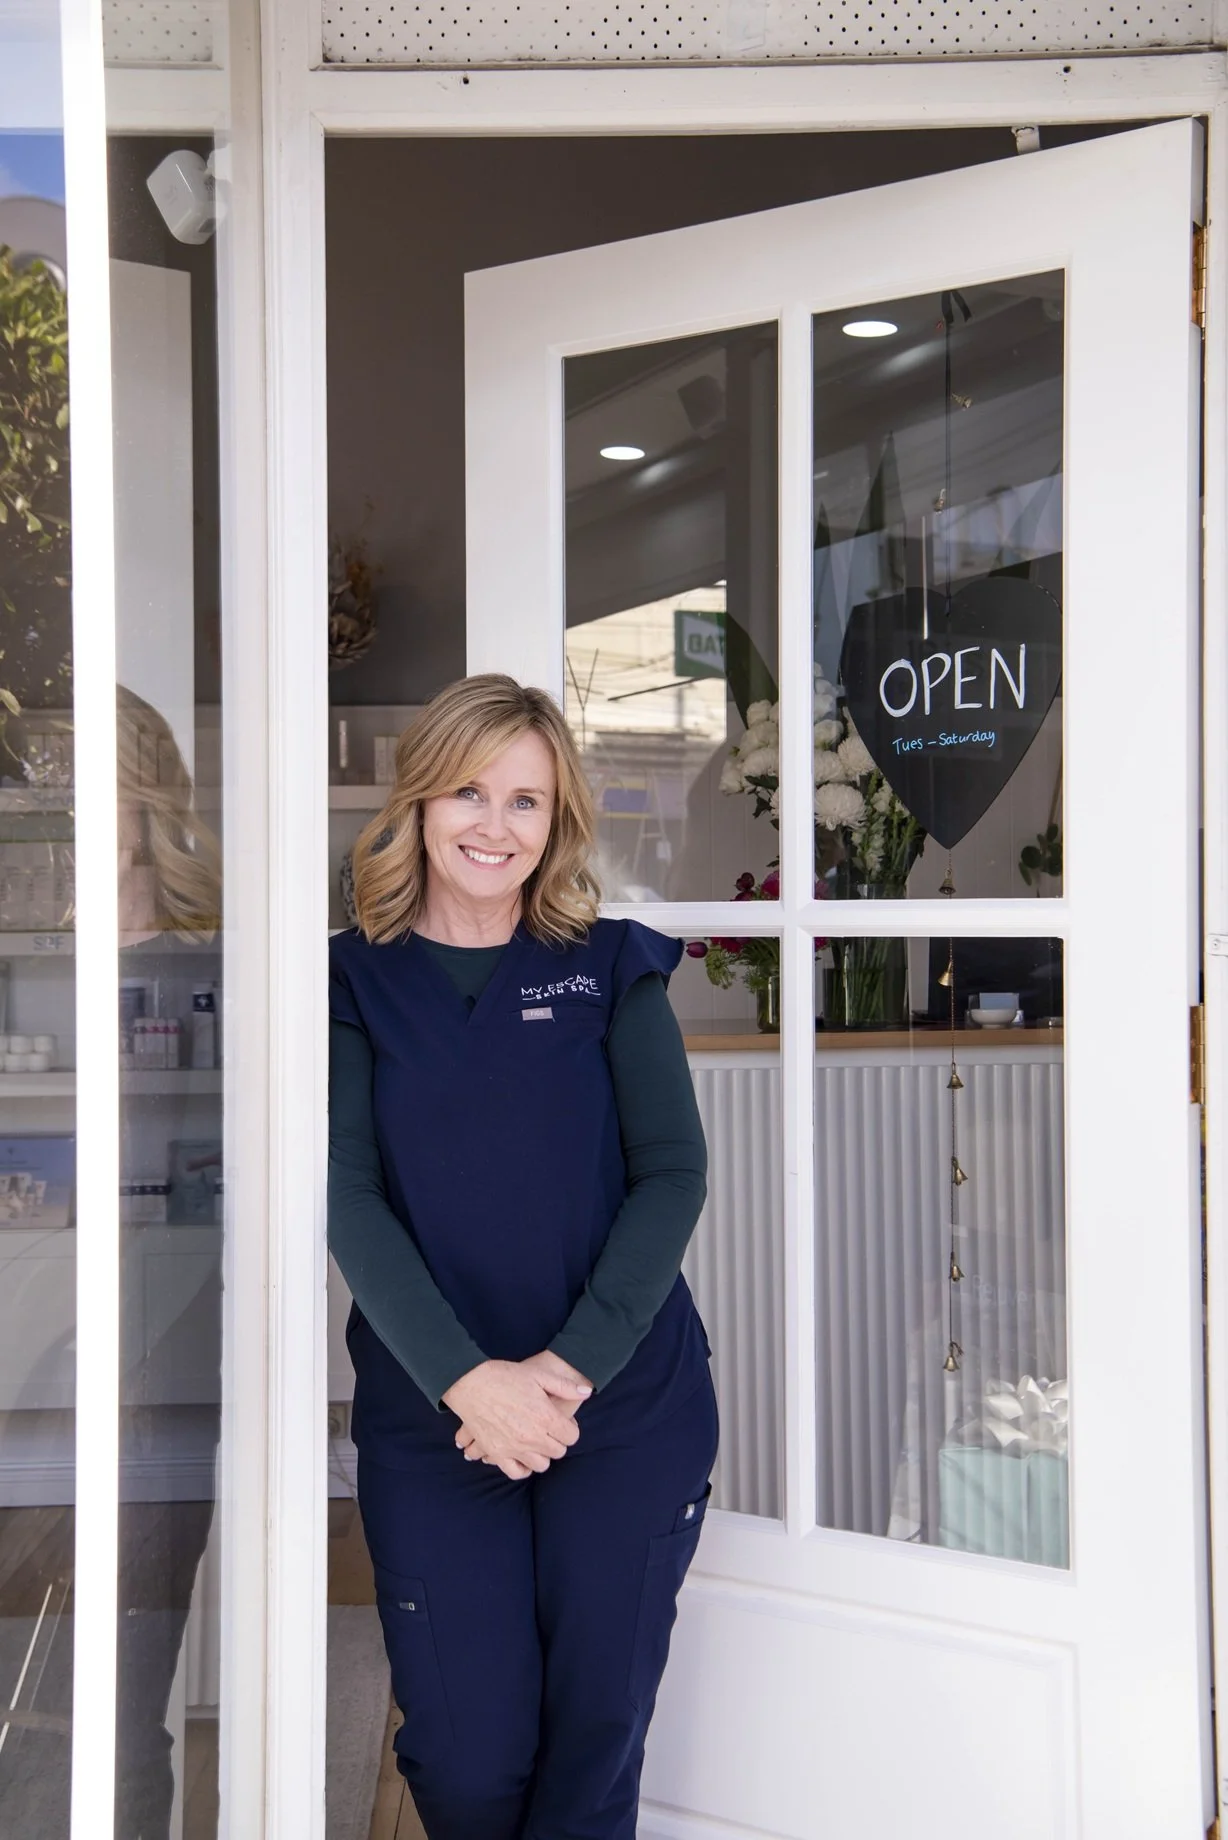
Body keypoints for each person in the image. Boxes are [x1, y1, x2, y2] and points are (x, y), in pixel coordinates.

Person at [328, 673, 717, 1840]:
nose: (493, 825)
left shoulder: (608, 968)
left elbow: (673, 1174)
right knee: (463, 1757)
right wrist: (471, 1382)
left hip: (621, 1411)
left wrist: (564, 1374)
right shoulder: (349, 980)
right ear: (418, 802)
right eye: (467, 791)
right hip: (436, 1421)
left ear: (558, 823)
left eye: (526, 801)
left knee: (591, 1752)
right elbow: (344, 1196)